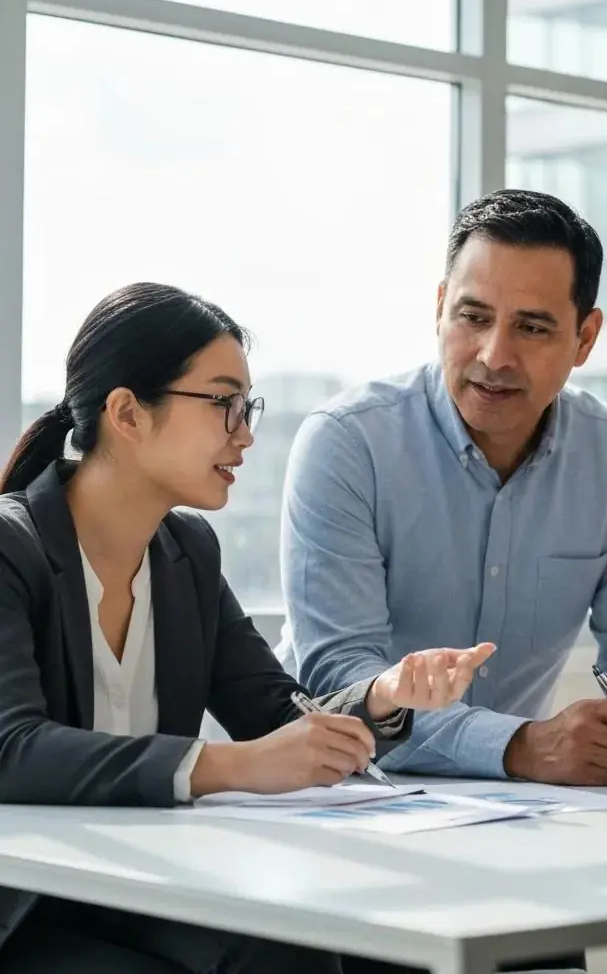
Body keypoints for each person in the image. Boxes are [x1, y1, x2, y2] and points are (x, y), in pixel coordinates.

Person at [0, 282, 493, 974]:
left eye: (247, 406)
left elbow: (271, 712)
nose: (246, 432)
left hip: (141, 882)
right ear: (127, 413)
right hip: (26, 907)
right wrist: (228, 765)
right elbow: (12, 749)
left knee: (346, 948)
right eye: (223, 403)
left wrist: (384, 694)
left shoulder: (188, 555)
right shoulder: (10, 549)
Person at [277, 188, 607, 797]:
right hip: (332, 793)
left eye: (533, 327)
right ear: (441, 307)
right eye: (474, 317)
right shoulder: (347, 443)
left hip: (510, 806)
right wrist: (520, 745)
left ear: (585, 339)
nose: (495, 356)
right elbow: (340, 679)